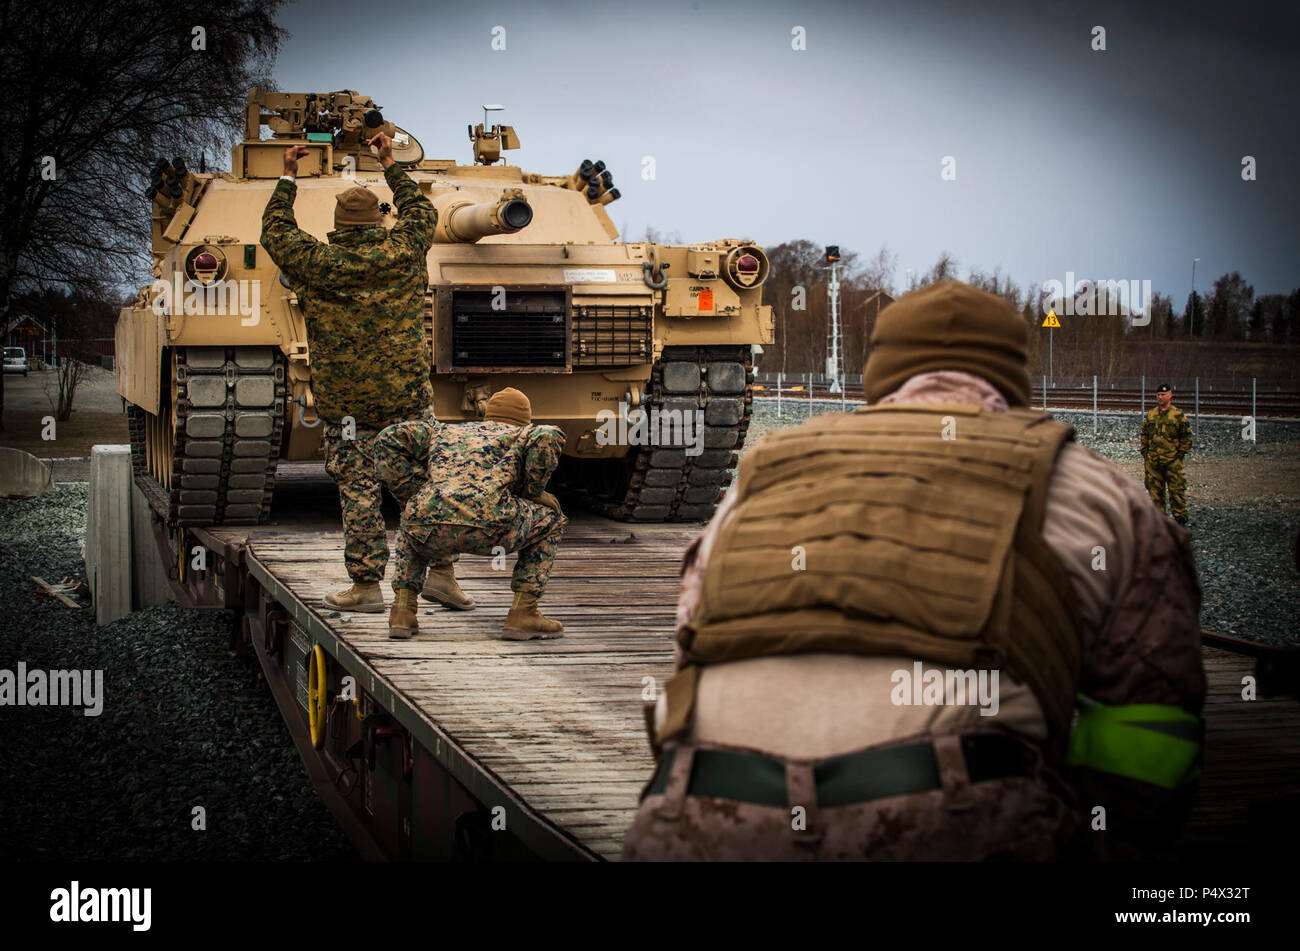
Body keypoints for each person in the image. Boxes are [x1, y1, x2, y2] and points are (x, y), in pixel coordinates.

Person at [623, 281, 1205, 861]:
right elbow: (1149, 714)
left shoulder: (768, 471)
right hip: (955, 821)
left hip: (697, 817)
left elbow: (694, 643)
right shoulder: (1102, 492)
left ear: (882, 370)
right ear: (1011, 374)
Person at [260, 134, 471, 613]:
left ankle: (366, 587)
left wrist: (288, 175)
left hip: (348, 408)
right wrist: (389, 164)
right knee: (422, 485)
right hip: (407, 400)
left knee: (359, 492)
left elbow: (275, 230)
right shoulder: (403, 252)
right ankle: (442, 574)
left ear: (337, 225)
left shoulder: (315, 261)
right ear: (379, 219)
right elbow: (422, 212)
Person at [375, 387, 568, 641]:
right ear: (525, 419)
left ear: (487, 416)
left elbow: (388, 438)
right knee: (552, 521)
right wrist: (534, 491)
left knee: (414, 520)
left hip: (432, 526)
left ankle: (402, 612)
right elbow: (548, 434)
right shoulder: (523, 433)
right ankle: (524, 613)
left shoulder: (443, 430)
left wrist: (413, 493)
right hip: (492, 526)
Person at [1140, 384, 1193, 526]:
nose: (1160, 397)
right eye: (1158, 395)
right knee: (1155, 495)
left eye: (1163, 395)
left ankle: (1180, 521)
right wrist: (1145, 452)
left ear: (1170, 395)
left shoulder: (1177, 415)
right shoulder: (1151, 415)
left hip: (1172, 461)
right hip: (1153, 462)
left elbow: (1186, 437)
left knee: (1176, 493)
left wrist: (1180, 454)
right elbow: (1144, 434)